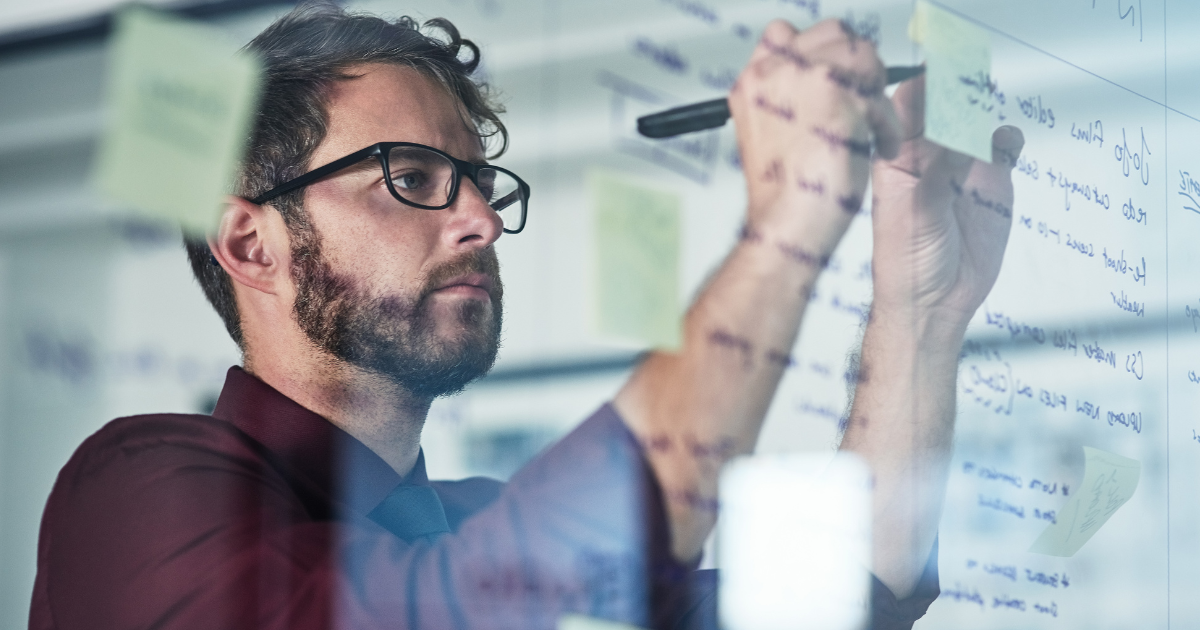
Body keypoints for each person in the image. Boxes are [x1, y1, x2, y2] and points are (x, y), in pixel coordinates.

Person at [29, 3, 1023, 629]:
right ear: (252, 245)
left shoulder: (471, 519)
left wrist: (920, 306)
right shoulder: (138, 488)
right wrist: (789, 223)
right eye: (410, 177)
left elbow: (845, 599)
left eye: (475, 181)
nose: (479, 221)